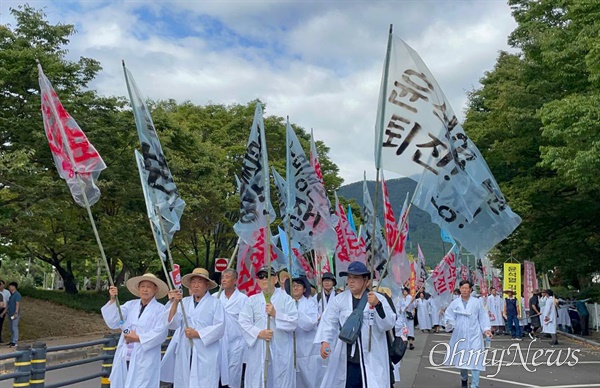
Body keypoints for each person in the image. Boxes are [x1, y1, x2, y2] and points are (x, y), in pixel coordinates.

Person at [315, 261, 396, 388]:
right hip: (348, 359)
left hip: (372, 356)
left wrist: (378, 305)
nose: (351, 281)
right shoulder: (339, 300)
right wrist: (325, 341)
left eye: (356, 278)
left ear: (366, 280)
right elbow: (328, 321)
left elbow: (388, 324)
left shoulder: (378, 298)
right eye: (349, 277)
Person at [101, 273, 169, 387]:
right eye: (142, 286)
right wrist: (113, 299)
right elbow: (115, 320)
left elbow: (161, 332)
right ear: (138, 289)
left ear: (155, 290)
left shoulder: (160, 309)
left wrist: (138, 338)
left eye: (149, 287)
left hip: (145, 358)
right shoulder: (130, 305)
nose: (145, 290)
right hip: (125, 355)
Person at [161, 268, 225, 388]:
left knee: (204, 381)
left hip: (205, 351)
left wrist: (198, 334)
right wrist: (175, 302)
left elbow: (219, 327)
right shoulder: (184, 302)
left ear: (207, 285)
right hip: (185, 349)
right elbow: (172, 323)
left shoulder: (216, 303)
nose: (196, 286)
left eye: (199, 282)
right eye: (193, 282)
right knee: (184, 380)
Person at [238, 265, 298, 388]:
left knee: (280, 379)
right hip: (258, 348)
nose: (264, 279)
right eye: (261, 277)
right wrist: (258, 333)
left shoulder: (286, 299)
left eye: (268, 276)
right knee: (258, 378)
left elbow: (294, 322)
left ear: (275, 279)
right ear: (258, 281)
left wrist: (276, 314)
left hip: (280, 347)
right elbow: (243, 321)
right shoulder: (252, 300)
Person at [444, 280, 492, 388]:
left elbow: (483, 317)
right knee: (463, 359)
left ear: (470, 289)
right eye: (463, 288)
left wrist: (486, 329)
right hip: (460, 335)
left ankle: (475, 385)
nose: (465, 290)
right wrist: (449, 323)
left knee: (476, 359)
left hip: (475, 334)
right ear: (460, 289)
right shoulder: (455, 303)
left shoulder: (476, 302)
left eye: (467, 288)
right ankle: (464, 378)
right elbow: (449, 316)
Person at [217, 269, 248, 388]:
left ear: (235, 280)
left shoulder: (243, 298)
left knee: (233, 375)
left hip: (236, 343)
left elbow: (246, 322)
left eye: (227, 277)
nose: (224, 279)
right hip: (218, 342)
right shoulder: (216, 297)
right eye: (222, 277)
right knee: (216, 374)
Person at [291, 276, 320, 388]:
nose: (295, 288)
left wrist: (295, 314)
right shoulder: (287, 303)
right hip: (291, 346)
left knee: (309, 378)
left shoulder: (311, 303)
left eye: (298, 285)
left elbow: (310, 323)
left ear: (304, 289)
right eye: (293, 286)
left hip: (307, 348)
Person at [5, 282, 21, 347]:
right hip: (10, 313)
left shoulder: (17, 295)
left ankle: (15, 341)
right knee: (11, 327)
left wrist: (16, 312)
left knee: (14, 327)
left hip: (14, 314)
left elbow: (17, 304)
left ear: (14, 287)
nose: (9, 288)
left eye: (10, 286)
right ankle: (12, 340)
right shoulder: (10, 295)